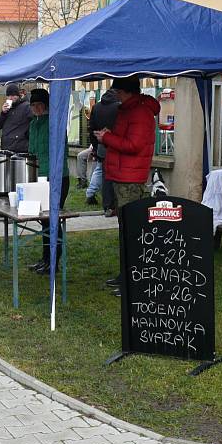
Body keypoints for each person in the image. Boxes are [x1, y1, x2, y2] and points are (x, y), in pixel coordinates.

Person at [94, 77, 158, 293]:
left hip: (130, 179)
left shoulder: (140, 112)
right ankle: (126, 275)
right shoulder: (128, 109)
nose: (116, 97)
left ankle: (134, 279)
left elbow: (134, 145)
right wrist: (108, 136)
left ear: (127, 92)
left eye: (119, 92)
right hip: (122, 175)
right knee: (127, 231)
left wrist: (107, 138)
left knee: (132, 232)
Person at [26, 88, 70, 275]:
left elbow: (61, 151)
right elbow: (32, 150)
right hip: (39, 176)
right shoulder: (34, 124)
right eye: (33, 105)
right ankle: (45, 258)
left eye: (38, 105)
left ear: (46, 105)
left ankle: (54, 261)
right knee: (44, 220)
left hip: (56, 176)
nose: (35, 108)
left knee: (53, 219)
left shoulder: (54, 123)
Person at [88, 89, 121, 215]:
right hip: (118, 147)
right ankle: (117, 205)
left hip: (102, 148)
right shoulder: (119, 107)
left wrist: (96, 149)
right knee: (118, 177)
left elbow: (91, 129)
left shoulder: (96, 107)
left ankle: (107, 206)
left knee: (105, 177)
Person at [0, 84, 32, 153]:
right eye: (8, 96)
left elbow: (33, 123)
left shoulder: (26, 107)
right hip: (6, 148)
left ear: (18, 96)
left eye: (13, 95)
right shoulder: (7, 109)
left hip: (20, 149)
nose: (10, 98)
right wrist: (3, 113)